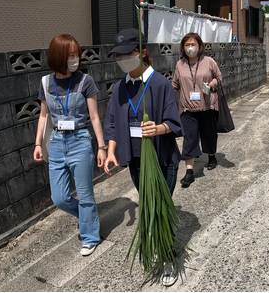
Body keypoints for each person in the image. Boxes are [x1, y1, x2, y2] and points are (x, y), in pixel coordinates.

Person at [103, 28, 183, 286]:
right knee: (148, 203)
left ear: (143, 52)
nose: (123, 59)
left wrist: (159, 128)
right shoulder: (119, 88)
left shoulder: (159, 83)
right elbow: (113, 123)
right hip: (136, 160)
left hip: (162, 157)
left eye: (128, 53)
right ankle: (160, 245)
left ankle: (168, 255)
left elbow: (174, 121)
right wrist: (111, 150)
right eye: (119, 55)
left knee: (158, 205)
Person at [33, 34, 105, 256]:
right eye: (70, 55)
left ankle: (90, 236)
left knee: (85, 195)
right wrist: (37, 144)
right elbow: (43, 116)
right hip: (55, 143)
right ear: (58, 57)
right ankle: (87, 217)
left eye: (76, 54)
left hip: (80, 141)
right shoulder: (46, 82)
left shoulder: (85, 81)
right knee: (59, 198)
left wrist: (101, 146)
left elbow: (94, 117)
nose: (75, 59)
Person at [172, 33, 223, 188]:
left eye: (193, 44)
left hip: (207, 106)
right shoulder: (180, 64)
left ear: (200, 46)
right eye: (187, 45)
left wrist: (211, 84)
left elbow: (219, 77)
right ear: (183, 47)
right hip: (187, 109)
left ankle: (212, 156)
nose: (190, 48)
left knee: (209, 134)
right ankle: (189, 171)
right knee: (189, 138)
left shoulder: (209, 62)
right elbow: (175, 85)